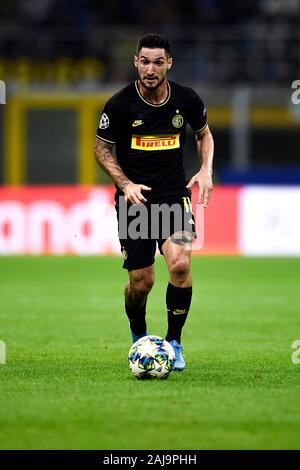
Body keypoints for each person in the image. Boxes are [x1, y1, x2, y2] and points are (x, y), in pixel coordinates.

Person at [95, 33, 214, 371]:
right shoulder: (119, 105)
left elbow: (204, 134)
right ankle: (139, 333)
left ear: (169, 64)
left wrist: (205, 170)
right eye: (144, 61)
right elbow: (101, 149)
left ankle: (174, 343)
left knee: (179, 265)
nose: (150, 68)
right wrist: (125, 183)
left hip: (173, 197)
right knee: (141, 282)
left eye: (157, 62)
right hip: (135, 203)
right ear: (135, 61)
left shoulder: (186, 99)